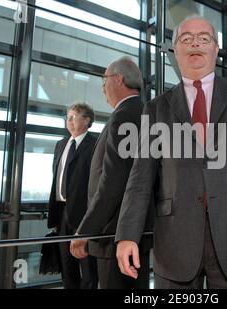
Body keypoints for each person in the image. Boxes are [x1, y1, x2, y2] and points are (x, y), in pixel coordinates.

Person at [115, 16, 227, 289]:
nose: (195, 43)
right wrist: (127, 234)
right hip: (175, 242)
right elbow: (140, 178)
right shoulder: (156, 108)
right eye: (186, 39)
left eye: (204, 38)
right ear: (175, 50)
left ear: (216, 48)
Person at [70, 57, 152, 289]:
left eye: (104, 80)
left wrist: (86, 230)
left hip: (114, 234)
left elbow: (114, 182)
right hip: (133, 231)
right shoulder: (144, 112)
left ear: (119, 79)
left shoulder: (124, 115)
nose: (103, 87)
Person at [47, 102, 98, 289]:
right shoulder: (61, 145)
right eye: (67, 117)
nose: (68, 121)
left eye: (72, 117)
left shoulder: (95, 145)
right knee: (67, 269)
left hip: (84, 214)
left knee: (88, 270)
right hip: (61, 213)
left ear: (86, 120)